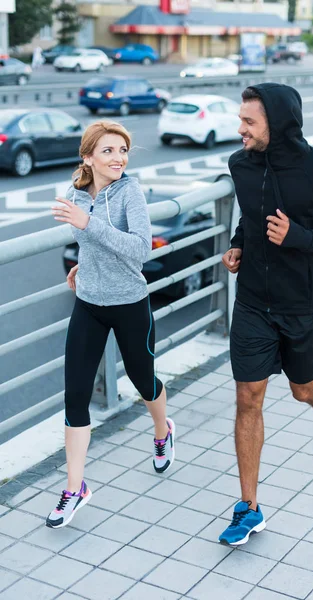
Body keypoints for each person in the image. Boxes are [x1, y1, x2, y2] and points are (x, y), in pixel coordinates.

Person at [219, 83, 313, 546]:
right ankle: (248, 508)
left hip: (301, 305)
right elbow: (250, 213)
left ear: (276, 125)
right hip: (251, 303)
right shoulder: (240, 164)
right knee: (248, 400)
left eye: (248, 122)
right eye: (240, 119)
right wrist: (240, 243)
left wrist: (298, 235)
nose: (239, 129)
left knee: (303, 391)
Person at [46, 121, 175, 529]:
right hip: (88, 303)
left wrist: (88, 226)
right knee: (76, 395)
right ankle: (75, 488)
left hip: (129, 302)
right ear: (88, 157)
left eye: (122, 150)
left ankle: (161, 429)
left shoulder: (130, 193)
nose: (118, 157)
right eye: (108, 151)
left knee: (144, 379)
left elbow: (139, 250)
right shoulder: (74, 195)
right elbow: (92, 243)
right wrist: (85, 264)